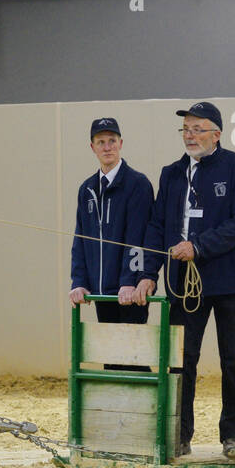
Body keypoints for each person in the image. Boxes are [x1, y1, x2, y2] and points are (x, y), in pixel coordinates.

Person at [134, 102, 235, 460]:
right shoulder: (171, 173)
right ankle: (180, 432)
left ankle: (233, 434)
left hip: (232, 281)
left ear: (216, 134)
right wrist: (148, 273)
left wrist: (199, 246)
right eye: (185, 129)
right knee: (181, 359)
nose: (189, 135)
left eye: (197, 128)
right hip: (183, 284)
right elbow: (158, 226)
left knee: (233, 358)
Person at [69, 118, 155, 326]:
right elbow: (80, 239)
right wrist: (79, 282)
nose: (107, 147)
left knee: (132, 356)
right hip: (101, 293)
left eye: (112, 141)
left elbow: (138, 238)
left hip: (130, 293)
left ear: (121, 144)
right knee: (110, 358)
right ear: (92, 147)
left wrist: (129, 282)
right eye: (101, 142)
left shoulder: (138, 184)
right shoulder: (86, 189)